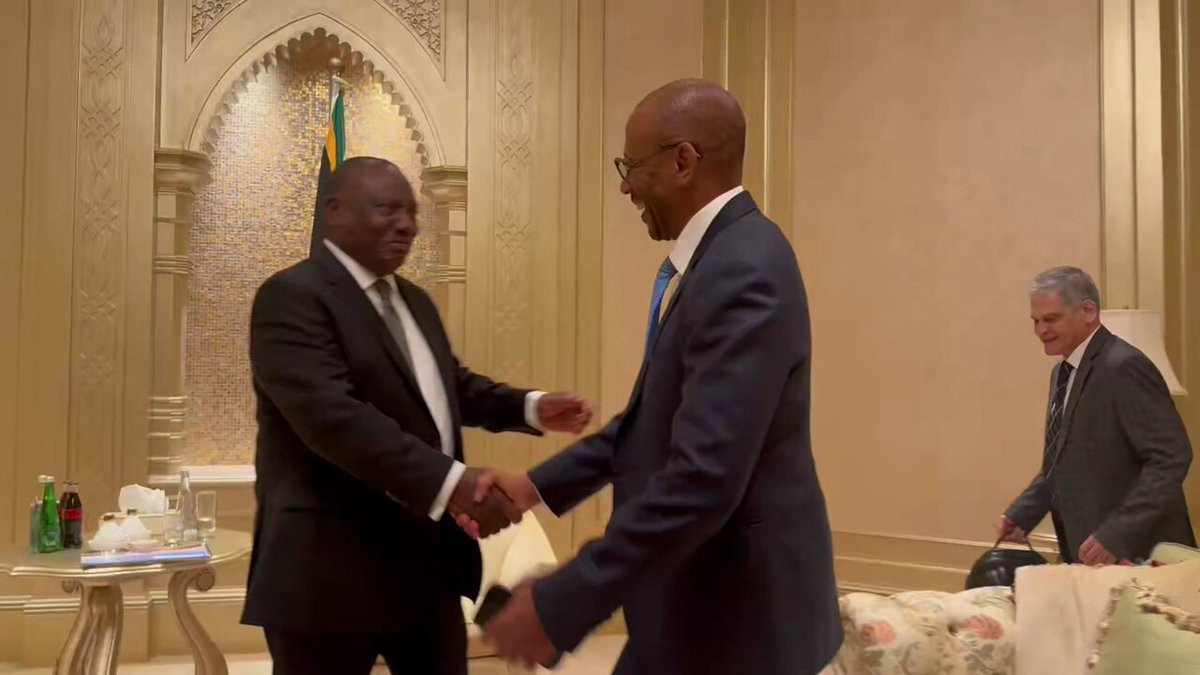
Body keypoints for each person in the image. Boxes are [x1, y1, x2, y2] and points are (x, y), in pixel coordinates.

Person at [467, 79, 842, 674]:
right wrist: (533, 487)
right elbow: (645, 426)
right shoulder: (719, 260)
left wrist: (560, 602)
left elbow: (703, 480)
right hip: (695, 604)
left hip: (737, 621)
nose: (625, 186)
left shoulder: (743, 268)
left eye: (631, 166)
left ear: (683, 161)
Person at [242, 156, 592, 675]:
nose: (407, 225)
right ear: (333, 212)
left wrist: (530, 406)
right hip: (326, 576)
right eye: (387, 210)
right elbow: (334, 418)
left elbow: (450, 388)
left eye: (411, 212)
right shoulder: (291, 297)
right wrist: (454, 483)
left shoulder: (415, 301)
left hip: (426, 569)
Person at [999, 266, 1195, 565]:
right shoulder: (1061, 373)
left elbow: (1171, 458)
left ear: (1088, 311)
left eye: (1050, 319)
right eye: (1036, 321)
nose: (1040, 331)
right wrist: (1023, 514)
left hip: (1142, 558)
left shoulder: (1124, 366)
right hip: (1090, 557)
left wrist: (1116, 534)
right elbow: (1061, 461)